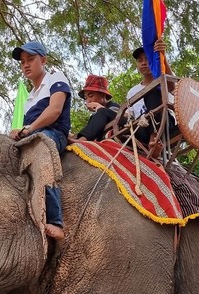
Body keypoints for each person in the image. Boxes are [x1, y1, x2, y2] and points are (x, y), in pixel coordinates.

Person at [10, 40, 71, 241]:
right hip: (33, 135)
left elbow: (54, 111)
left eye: (30, 59)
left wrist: (29, 129)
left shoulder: (56, 78)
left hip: (53, 134)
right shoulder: (29, 98)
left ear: (43, 60)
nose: (25, 64)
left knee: (40, 148)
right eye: (22, 62)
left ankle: (56, 220)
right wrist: (18, 133)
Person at [126, 39, 176, 145]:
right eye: (140, 60)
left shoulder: (163, 78)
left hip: (165, 124)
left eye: (147, 59)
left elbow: (172, 86)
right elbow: (130, 115)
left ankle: (155, 138)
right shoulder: (132, 91)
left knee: (152, 91)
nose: (144, 63)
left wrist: (163, 56)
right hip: (143, 128)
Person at [69, 75, 120, 142]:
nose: (88, 101)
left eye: (91, 96)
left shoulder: (113, 107)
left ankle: (82, 140)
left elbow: (119, 118)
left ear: (102, 94)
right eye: (86, 98)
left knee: (103, 112)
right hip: (99, 138)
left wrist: (99, 107)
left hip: (119, 131)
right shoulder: (96, 116)